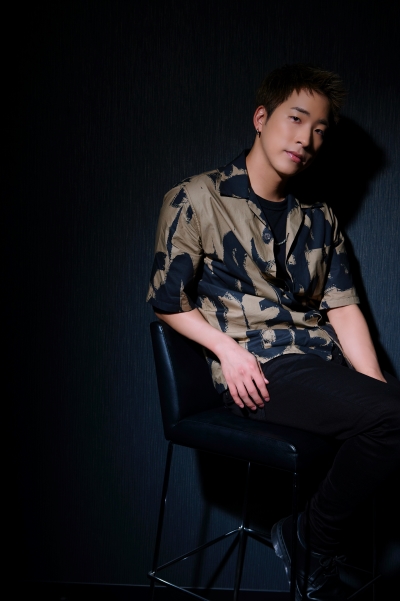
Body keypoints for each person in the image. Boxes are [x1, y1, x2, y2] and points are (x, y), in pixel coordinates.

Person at [147, 64, 400, 600]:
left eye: (320, 130)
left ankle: (308, 536)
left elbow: (343, 307)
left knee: (392, 412)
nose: (307, 139)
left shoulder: (318, 216)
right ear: (261, 118)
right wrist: (226, 351)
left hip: (319, 367)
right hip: (260, 370)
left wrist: (377, 391)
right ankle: (310, 539)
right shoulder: (196, 198)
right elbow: (168, 301)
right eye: (296, 119)